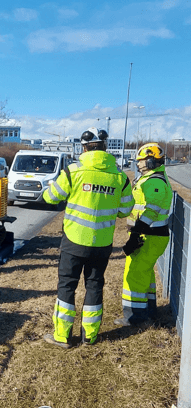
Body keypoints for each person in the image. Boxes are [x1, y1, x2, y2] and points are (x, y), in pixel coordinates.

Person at [42, 127, 135, 348]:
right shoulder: (119, 177)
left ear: (84, 147)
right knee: (94, 286)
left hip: (74, 241)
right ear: (105, 147)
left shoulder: (73, 171)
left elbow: (50, 197)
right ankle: (90, 337)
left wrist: (51, 188)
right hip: (102, 244)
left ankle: (62, 337)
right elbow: (125, 210)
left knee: (67, 286)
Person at [114, 143, 172, 326]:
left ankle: (136, 317)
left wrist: (135, 233)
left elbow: (151, 211)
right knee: (145, 274)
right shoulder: (149, 178)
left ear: (151, 160)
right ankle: (149, 310)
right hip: (149, 235)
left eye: (141, 161)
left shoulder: (154, 181)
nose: (138, 164)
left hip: (150, 235)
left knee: (135, 275)